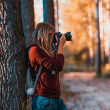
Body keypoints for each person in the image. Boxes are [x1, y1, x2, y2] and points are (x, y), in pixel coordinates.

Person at [29, 22, 68, 110]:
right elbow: (58, 66)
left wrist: (58, 46)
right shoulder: (35, 50)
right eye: (51, 34)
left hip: (55, 97)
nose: (53, 37)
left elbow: (56, 63)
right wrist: (60, 46)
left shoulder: (46, 51)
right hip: (44, 99)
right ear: (44, 35)